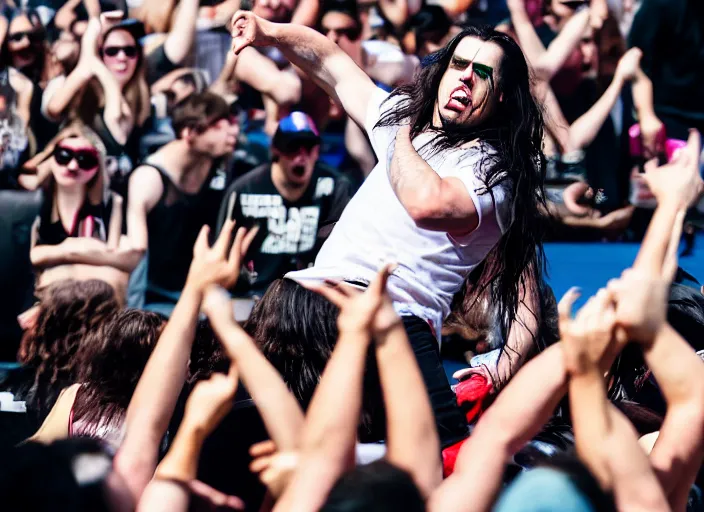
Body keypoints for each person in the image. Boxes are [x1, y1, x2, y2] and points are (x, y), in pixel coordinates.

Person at [229, 11, 547, 447]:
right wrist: (270, 32)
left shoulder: (496, 171)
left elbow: (427, 203)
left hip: (395, 321)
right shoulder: (404, 120)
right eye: (458, 65)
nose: (465, 79)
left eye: (482, 73)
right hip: (305, 303)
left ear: (503, 97)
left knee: (442, 459)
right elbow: (331, 63)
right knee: (256, 441)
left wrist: (501, 367)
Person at [126, 91, 239, 315]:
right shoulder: (148, 178)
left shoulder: (219, 163)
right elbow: (138, 255)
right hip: (156, 298)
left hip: (205, 291)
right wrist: (134, 320)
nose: (232, 132)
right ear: (189, 132)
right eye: (218, 127)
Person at [217, 111, 353, 297]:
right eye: (293, 147)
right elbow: (221, 255)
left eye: (309, 147)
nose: (301, 156)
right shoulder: (244, 190)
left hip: (312, 299)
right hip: (254, 296)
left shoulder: (335, 187)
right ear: (276, 150)